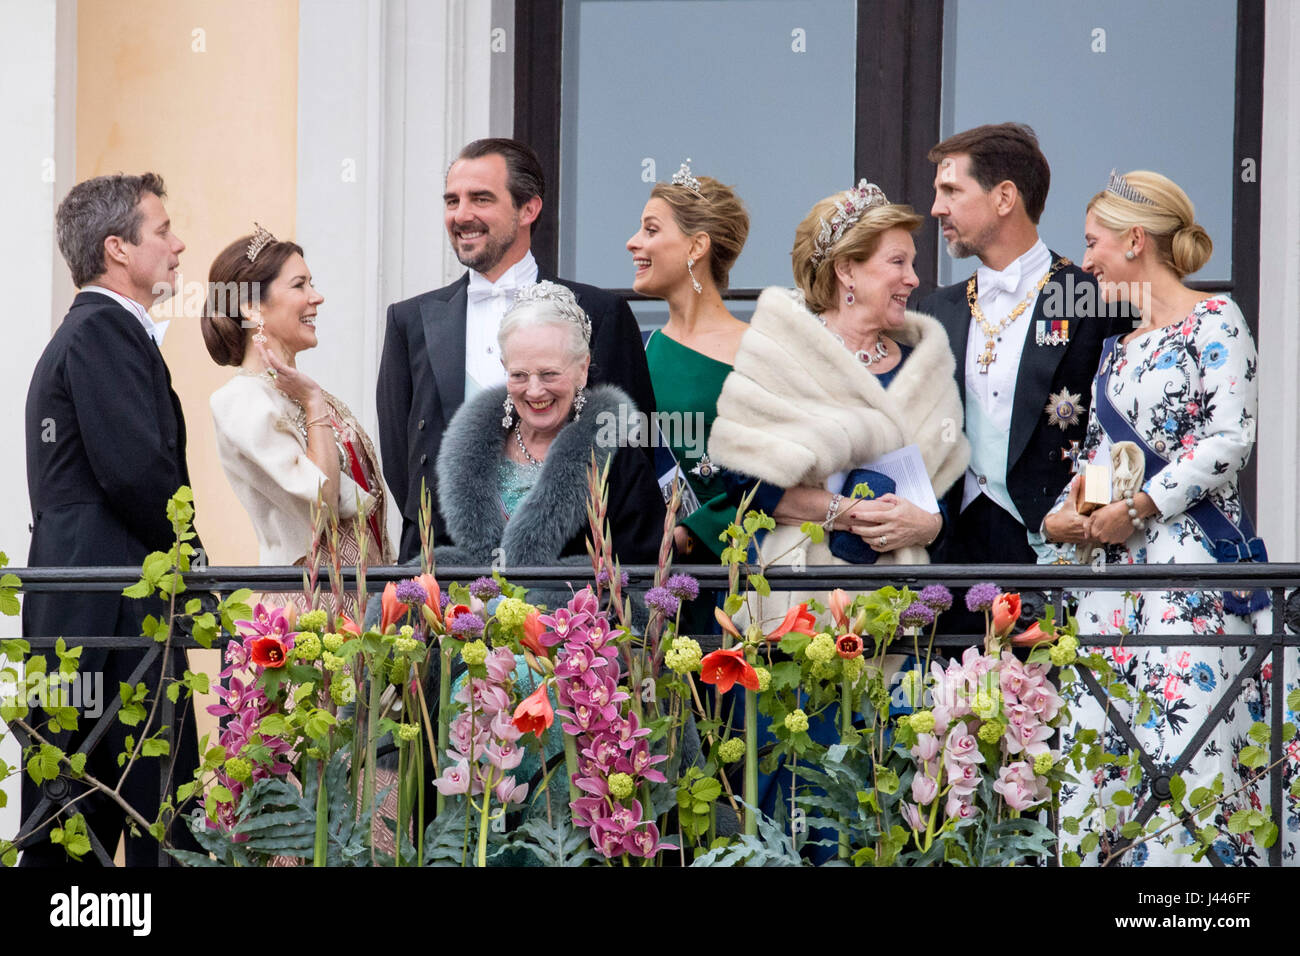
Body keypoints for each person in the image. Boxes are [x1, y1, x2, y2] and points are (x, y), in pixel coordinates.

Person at [1042, 171, 1285, 866]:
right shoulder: (1117, 350)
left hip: (1193, 580)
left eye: (1092, 244)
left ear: (1135, 240)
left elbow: (1229, 439)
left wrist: (1142, 506)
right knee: (1106, 761)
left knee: (1191, 759)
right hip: (1112, 592)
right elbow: (1102, 458)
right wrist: (1069, 514)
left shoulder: (1218, 321)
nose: (1083, 262)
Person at [22, 172, 202, 865]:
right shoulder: (102, 330)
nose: (178, 244)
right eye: (162, 230)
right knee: (120, 824)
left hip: (97, 617)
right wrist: (192, 556)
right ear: (117, 248)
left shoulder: (98, 332)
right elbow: (134, 472)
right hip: (112, 622)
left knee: (90, 820)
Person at [378, 138, 655, 562]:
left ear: (528, 209)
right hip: (444, 581)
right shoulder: (408, 321)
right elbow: (402, 463)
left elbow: (631, 453)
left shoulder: (601, 313)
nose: (461, 214)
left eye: (481, 199)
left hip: (572, 585)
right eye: (452, 201)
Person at [709, 181, 969, 593]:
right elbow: (743, 478)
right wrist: (846, 513)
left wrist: (927, 524)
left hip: (899, 612)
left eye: (912, 264)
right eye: (898, 262)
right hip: (793, 603)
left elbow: (951, 493)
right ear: (847, 270)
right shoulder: (783, 355)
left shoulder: (927, 367)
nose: (914, 279)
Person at [920, 123, 1129, 635]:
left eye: (951, 191)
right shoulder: (937, 309)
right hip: (955, 556)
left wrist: (1091, 513)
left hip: (1058, 547)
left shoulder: (1090, 296)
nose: (936, 209)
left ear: (1004, 197)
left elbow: (1116, 425)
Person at [203, 225, 395, 611]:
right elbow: (319, 504)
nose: (316, 297)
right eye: (300, 285)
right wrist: (312, 401)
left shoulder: (301, 390)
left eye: (313, 283)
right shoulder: (239, 400)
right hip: (307, 612)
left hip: (362, 607)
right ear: (251, 307)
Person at [434, 281, 665, 576]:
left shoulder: (620, 461)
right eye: (519, 375)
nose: (534, 390)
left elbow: (645, 583)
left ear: (582, 369)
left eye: (549, 374)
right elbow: (436, 561)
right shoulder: (464, 456)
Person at [626, 161, 751, 562]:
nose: (632, 242)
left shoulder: (758, 351)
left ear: (696, 246)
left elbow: (781, 480)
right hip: (648, 577)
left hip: (731, 580)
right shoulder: (637, 352)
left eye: (651, 229)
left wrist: (691, 532)